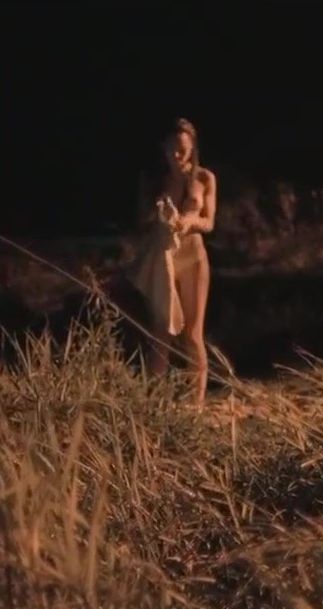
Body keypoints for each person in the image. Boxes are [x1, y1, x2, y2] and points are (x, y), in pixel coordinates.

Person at [128, 118, 217, 408]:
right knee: (161, 330)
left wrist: (189, 220)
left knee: (192, 333)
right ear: (164, 148)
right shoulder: (154, 179)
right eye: (173, 149)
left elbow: (209, 222)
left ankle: (196, 404)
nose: (178, 156)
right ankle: (154, 401)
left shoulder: (204, 178)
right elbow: (140, 221)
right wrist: (159, 214)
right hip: (164, 256)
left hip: (193, 255)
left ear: (192, 149)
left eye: (184, 150)